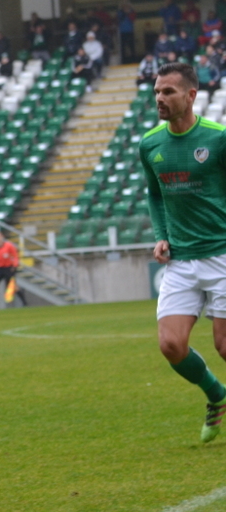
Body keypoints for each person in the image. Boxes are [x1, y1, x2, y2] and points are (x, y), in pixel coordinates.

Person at [143, 62, 226, 443]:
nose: (159, 98)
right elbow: (155, 194)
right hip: (180, 259)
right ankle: (216, 394)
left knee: (224, 346)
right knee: (171, 345)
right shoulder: (150, 144)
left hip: (222, 254)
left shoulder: (218, 138)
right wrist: (161, 234)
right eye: (157, 91)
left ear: (191, 95)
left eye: (168, 92)